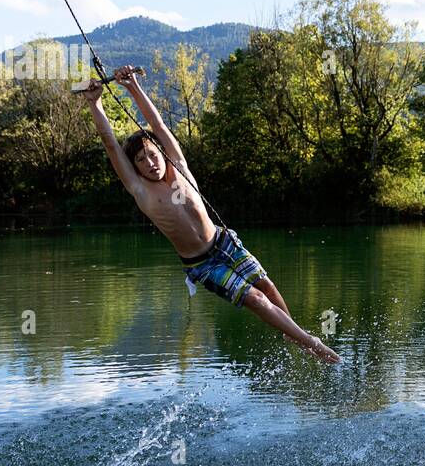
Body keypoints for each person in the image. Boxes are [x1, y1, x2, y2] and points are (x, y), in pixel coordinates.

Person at [83, 66, 340, 364]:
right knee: (255, 299)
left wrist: (133, 87)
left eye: (152, 154)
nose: (150, 163)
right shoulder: (141, 191)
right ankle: (310, 342)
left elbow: (158, 124)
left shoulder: (178, 165)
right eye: (141, 161)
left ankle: (291, 333)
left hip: (224, 241)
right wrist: (95, 103)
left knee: (266, 286)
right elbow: (110, 144)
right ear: (135, 168)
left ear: (162, 152)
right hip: (202, 264)